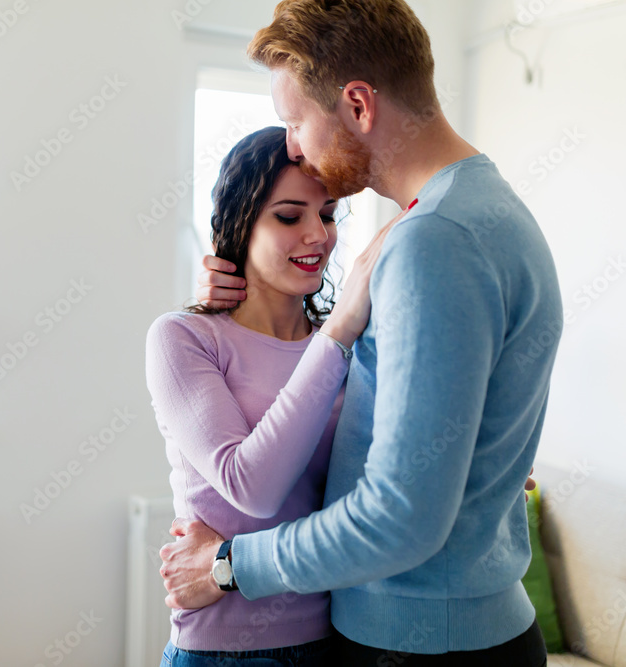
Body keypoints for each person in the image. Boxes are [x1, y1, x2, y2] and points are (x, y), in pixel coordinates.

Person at [158, 1, 562, 666]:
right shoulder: (486, 213)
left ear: (358, 105)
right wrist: (239, 317)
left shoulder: (434, 241)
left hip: (418, 643)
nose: (292, 143)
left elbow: (400, 515)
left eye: (295, 120)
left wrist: (226, 565)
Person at [146, 125, 405, 666]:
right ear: (240, 225)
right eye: (289, 216)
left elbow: (370, 486)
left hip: (336, 638)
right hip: (222, 652)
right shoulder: (184, 338)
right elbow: (254, 488)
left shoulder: (349, 348)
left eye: (328, 214)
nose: (318, 234)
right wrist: (338, 331)